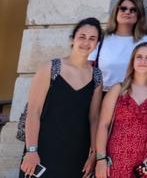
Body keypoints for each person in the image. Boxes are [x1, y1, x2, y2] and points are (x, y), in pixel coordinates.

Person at [19, 17, 104, 178]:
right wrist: (31, 150)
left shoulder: (97, 76)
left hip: (77, 152)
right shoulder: (51, 68)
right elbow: (34, 112)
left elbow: (93, 118)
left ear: (97, 44)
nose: (86, 42)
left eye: (92, 38)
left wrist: (93, 153)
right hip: (44, 148)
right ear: (72, 39)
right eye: (82, 37)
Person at [94, 43, 147, 178]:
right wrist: (101, 159)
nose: (143, 61)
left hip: (146, 160)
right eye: (139, 57)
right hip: (117, 156)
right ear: (132, 60)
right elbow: (103, 125)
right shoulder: (118, 89)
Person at [92, 0, 147, 90]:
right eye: (123, 8)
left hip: (132, 95)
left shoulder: (146, 41)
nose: (127, 12)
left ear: (139, 15)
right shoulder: (102, 38)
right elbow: (87, 67)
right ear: (116, 12)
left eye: (133, 10)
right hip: (102, 93)